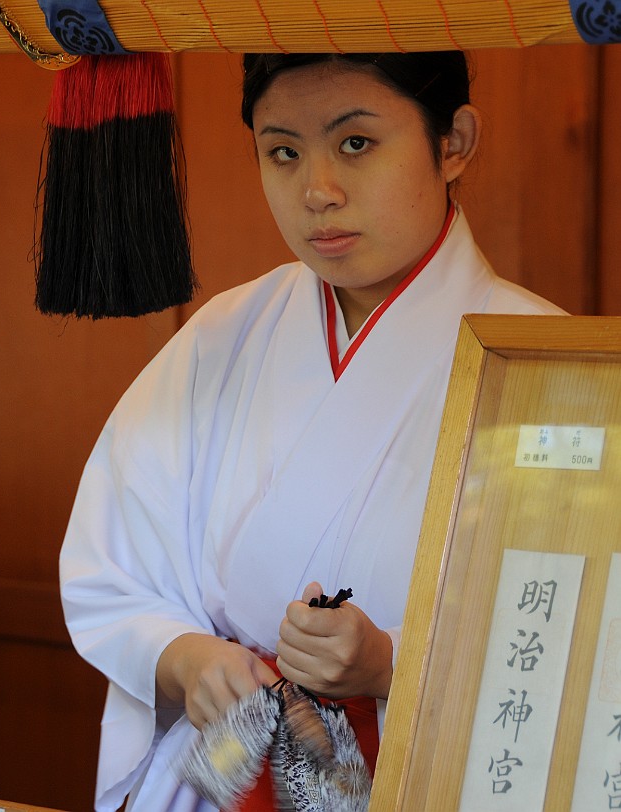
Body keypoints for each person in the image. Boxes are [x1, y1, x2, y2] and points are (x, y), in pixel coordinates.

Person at [59, 50, 566, 812]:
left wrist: (396, 664)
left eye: (356, 144)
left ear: (454, 140)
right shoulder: (219, 338)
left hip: (432, 778)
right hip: (224, 773)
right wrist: (186, 657)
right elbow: (110, 567)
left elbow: (582, 629)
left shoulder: (543, 362)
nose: (317, 191)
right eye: (283, 152)